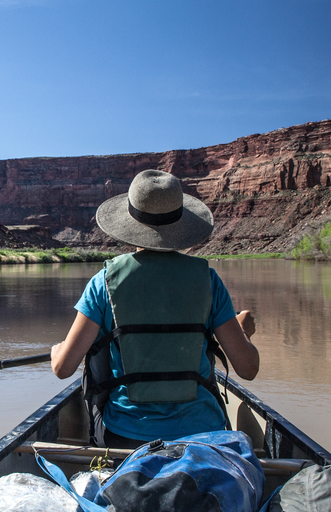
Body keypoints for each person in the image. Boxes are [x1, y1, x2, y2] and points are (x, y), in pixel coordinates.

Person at [50, 169, 259, 447]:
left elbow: (63, 368)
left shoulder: (105, 282)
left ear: (129, 223)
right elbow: (248, 368)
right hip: (203, 434)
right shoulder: (209, 281)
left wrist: (57, 351)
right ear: (181, 223)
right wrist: (242, 333)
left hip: (125, 435)